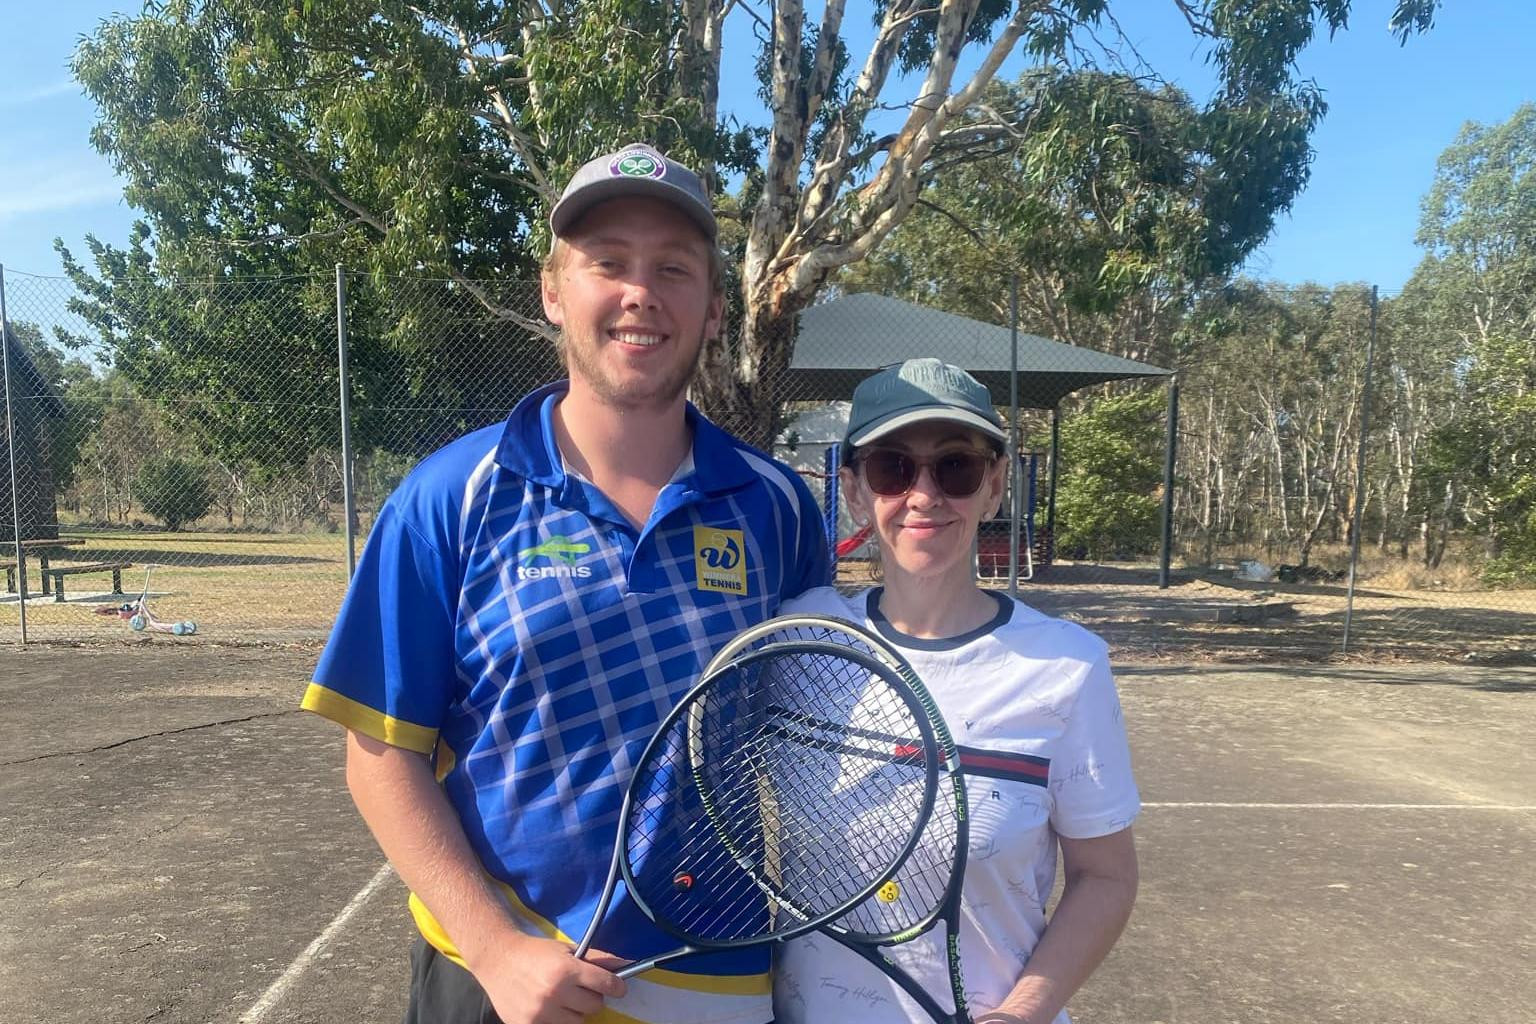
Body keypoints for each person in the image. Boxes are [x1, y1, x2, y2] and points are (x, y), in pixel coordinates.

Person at [302, 142, 830, 1024]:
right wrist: (498, 949)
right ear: (553, 291)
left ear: (712, 311)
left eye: (673, 268)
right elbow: (379, 752)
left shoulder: (776, 509)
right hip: (503, 975)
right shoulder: (449, 497)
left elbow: (817, 743)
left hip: (715, 978)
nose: (640, 293)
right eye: (607, 264)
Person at [772, 358, 1140, 1024]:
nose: (923, 495)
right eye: (892, 468)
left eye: (955, 468)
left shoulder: (1066, 666)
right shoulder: (796, 641)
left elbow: (1106, 876)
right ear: (854, 491)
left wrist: (1025, 1011)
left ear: (995, 485)